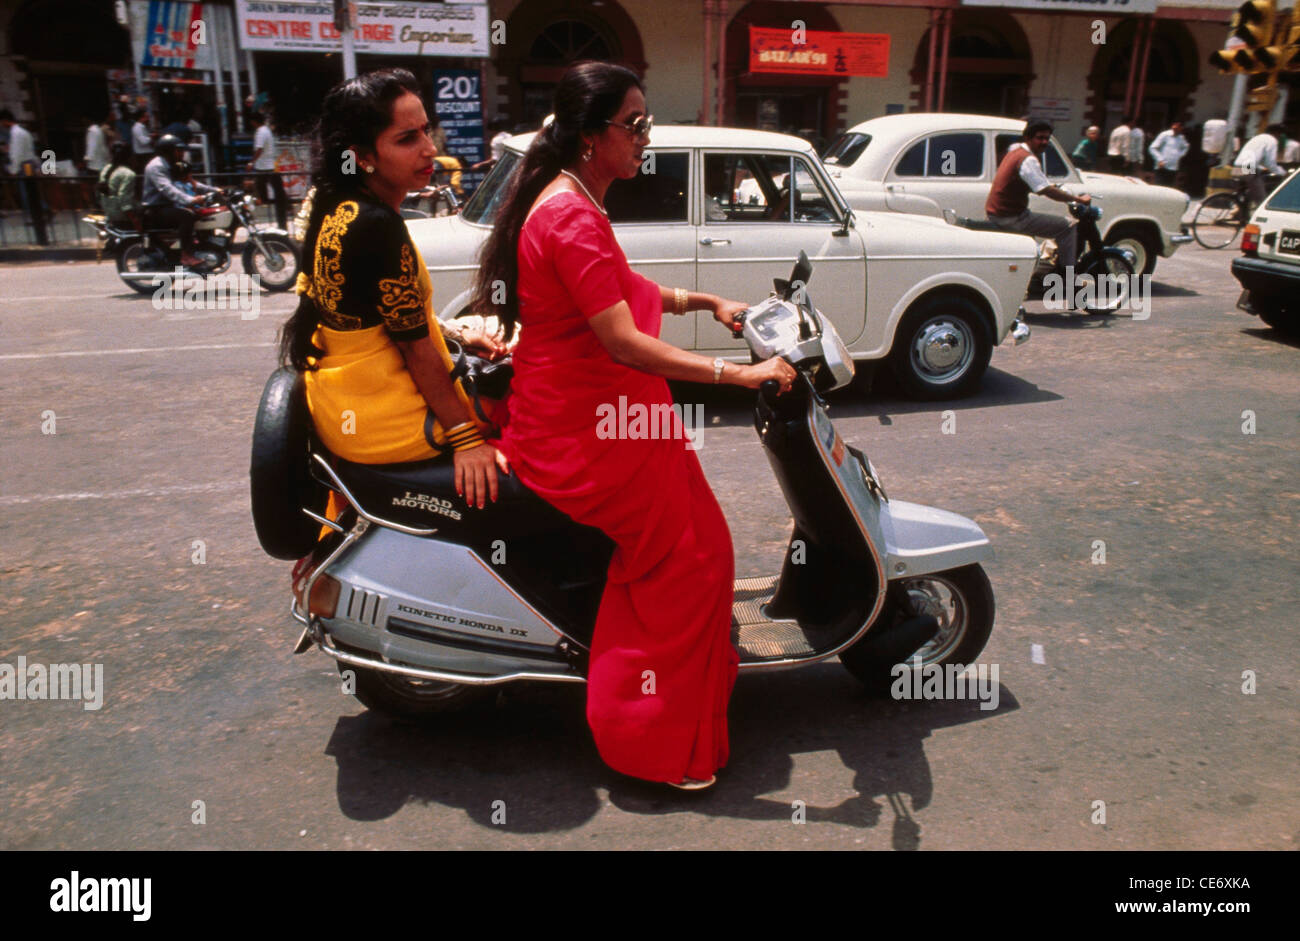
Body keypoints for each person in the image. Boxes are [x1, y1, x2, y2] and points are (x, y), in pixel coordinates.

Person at [471, 61, 796, 790]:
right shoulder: (568, 212)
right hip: (579, 429)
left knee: (707, 541)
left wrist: (705, 299)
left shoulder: (572, 200)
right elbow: (620, 337)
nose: (646, 136)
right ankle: (646, 736)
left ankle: (680, 707)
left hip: (602, 413)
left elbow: (625, 288)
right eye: (636, 124)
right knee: (688, 559)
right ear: (593, 136)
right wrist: (737, 375)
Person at [278, 68, 508, 508]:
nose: (429, 150)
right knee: (531, 405)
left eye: (426, 131)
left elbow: (386, 318)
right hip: (381, 414)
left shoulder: (329, 203)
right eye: (406, 139)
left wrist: (459, 335)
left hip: (342, 401)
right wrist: (466, 441)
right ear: (363, 156)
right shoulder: (377, 224)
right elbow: (416, 349)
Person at [984, 119, 1091, 286]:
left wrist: (1053, 186)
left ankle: (1037, 276)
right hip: (1012, 217)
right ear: (1028, 137)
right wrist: (1077, 199)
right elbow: (1045, 190)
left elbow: (1038, 180)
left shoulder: (1015, 151)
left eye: (1047, 138)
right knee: (1068, 226)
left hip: (999, 212)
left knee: (1035, 247)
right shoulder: (1028, 160)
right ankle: (1069, 278)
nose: (1044, 142)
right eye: (1040, 138)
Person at [141, 134, 218, 267]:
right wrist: (191, 200)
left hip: (168, 205)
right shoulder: (156, 166)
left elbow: (189, 182)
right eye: (179, 150)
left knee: (205, 213)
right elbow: (168, 189)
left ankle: (201, 244)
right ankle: (186, 255)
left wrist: (215, 190)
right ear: (168, 151)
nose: (182, 154)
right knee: (186, 215)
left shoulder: (170, 164)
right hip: (155, 208)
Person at [247, 110, 288, 228]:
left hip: (263, 168)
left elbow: (259, 149)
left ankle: (256, 220)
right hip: (271, 167)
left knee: (259, 195)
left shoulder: (260, 132)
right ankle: (282, 224)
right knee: (278, 195)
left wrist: (251, 162)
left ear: (254, 122)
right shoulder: (267, 130)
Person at [1234, 124, 1287, 211]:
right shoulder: (1272, 141)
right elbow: (1270, 162)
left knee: (1248, 193)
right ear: (1277, 133)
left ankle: (1239, 213)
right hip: (1249, 167)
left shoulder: (1257, 138)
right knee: (1261, 199)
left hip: (1237, 165)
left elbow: (1257, 156)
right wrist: (1282, 172)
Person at [97, 141, 137, 226]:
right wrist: (135, 221)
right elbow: (124, 200)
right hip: (121, 216)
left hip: (108, 212)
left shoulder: (105, 169)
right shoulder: (128, 174)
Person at [1148, 120, 1189, 188]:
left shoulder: (1181, 138)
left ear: (1181, 128)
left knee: (1169, 188)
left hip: (1173, 167)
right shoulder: (1165, 135)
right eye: (1174, 125)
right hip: (1162, 167)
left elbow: (1186, 147)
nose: (1175, 127)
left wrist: (1179, 155)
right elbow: (1152, 148)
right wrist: (1160, 159)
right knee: (1159, 188)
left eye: (1177, 126)